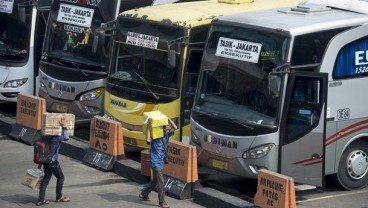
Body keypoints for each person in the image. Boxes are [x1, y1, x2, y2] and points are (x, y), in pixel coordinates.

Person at [139, 118, 177, 208]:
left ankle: (144, 194)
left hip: (161, 162)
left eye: (168, 128)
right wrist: (148, 127)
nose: (168, 130)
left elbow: (175, 127)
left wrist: (169, 119)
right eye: (166, 128)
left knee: (156, 181)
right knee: (161, 182)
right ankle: (162, 202)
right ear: (162, 129)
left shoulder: (167, 135)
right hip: (155, 162)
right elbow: (148, 140)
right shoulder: (156, 137)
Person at [36, 117, 70, 206]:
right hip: (53, 162)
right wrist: (64, 126)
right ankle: (59, 196)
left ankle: (41, 199)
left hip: (45, 161)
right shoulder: (56, 137)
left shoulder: (44, 136)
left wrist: (40, 163)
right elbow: (66, 137)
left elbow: (41, 150)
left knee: (46, 180)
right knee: (61, 177)